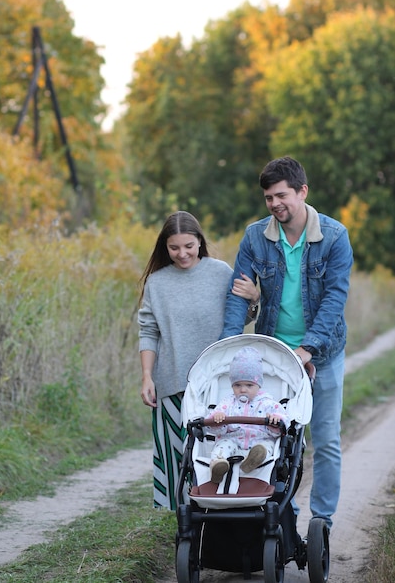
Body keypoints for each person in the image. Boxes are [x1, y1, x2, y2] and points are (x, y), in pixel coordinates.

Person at [220, 156, 353, 530]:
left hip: (321, 355)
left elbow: (333, 299)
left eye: (282, 195)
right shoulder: (255, 237)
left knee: (325, 440)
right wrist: (228, 345)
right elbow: (236, 296)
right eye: (268, 198)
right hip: (273, 358)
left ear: (302, 192)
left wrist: (307, 349)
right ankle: (283, 516)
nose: (275, 204)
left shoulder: (334, 237)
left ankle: (322, 519)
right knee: (276, 438)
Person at [138, 210, 258, 510]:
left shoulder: (220, 272)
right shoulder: (156, 282)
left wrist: (255, 299)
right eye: (174, 247)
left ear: (199, 242)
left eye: (189, 246)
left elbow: (241, 317)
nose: (182, 254)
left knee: (216, 456)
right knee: (179, 460)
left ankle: (222, 519)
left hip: (218, 386)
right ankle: (183, 527)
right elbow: (148, 332)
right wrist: (147, 376)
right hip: (173, 382)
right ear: (164, 247)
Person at [207, 346, 289, 483]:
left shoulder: (268, 403)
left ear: (259, 385)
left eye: (249, 385)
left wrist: (275, 421)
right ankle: (218, 465)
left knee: (267, 446)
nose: (243, 389)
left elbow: (284, 422)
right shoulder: (227, 403)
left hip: (259, 439)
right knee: (222, 444)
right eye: (237, 385)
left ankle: (253, 461)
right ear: (232, 385)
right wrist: (217, 420)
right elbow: (213, 427)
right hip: (233, 439)